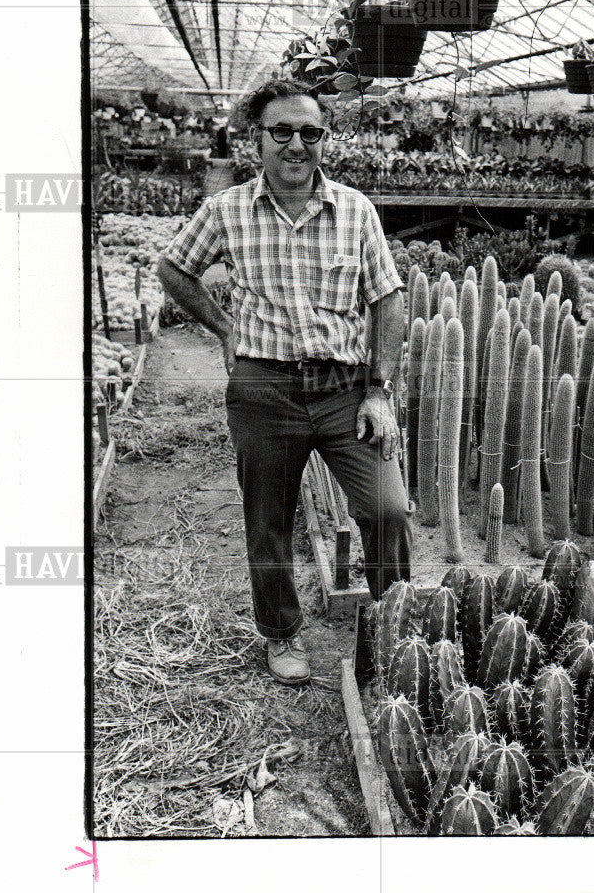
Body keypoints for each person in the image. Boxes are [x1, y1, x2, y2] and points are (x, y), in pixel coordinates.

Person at [158, 79, 412, 686]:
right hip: (263, 388)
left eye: (310, 132)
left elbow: (387, 299)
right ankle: (282, 632)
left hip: (343, 388)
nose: (296, 144)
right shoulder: (227, 210)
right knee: (267, 519)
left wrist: (378, 390)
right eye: (282, 132)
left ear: (323, 138)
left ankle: (396, 628)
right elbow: (173, 267)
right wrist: (224, 328)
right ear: (258, 139)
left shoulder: (355, 209)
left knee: (388, 508)